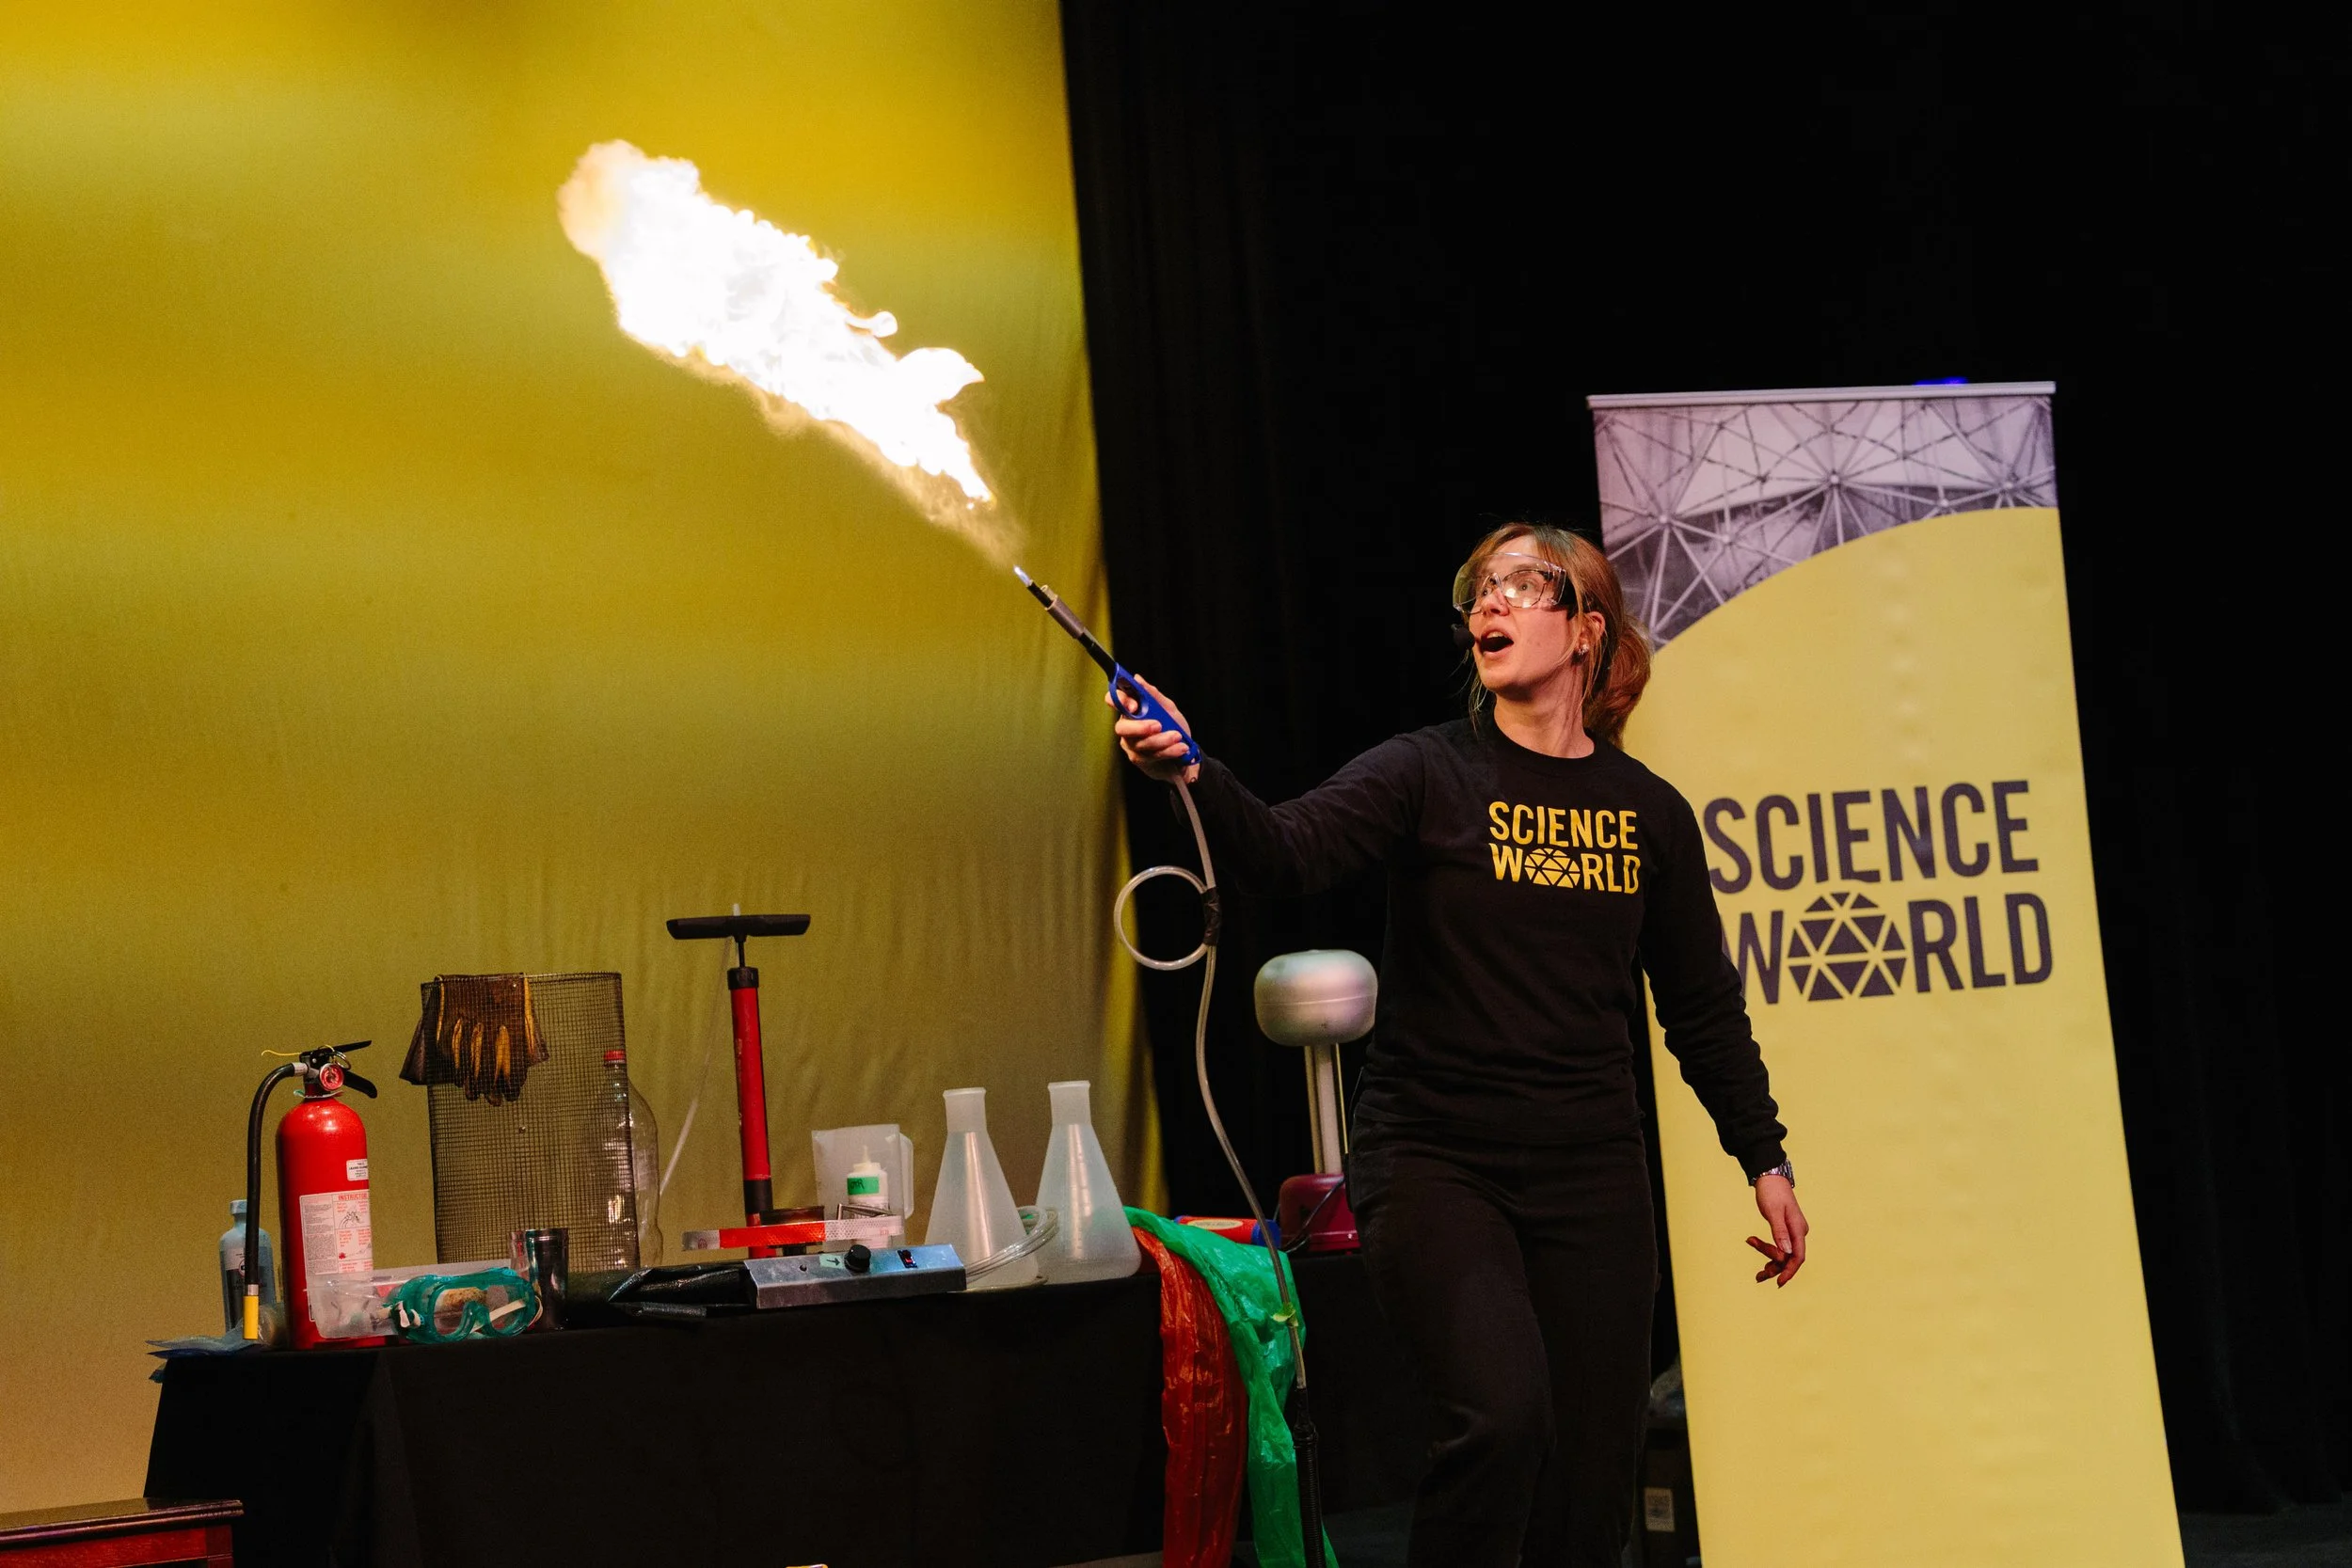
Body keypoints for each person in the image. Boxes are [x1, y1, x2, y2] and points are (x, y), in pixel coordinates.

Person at [1109, 522, 1807, 1568]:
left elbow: (1700, 1004)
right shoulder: (1427, 772)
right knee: (1501, 1416)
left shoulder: (1647, 814)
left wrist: (1765, 1157)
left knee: (1587, 1480)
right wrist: (1193, 769)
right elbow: (1285, 851)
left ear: (1585, 629)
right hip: (1440, 1161)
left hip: (1590, 1176)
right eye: (1479, 588)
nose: (1489, 603)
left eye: (1523, 585)